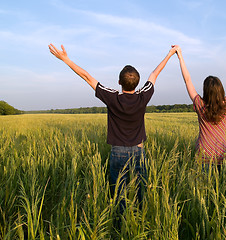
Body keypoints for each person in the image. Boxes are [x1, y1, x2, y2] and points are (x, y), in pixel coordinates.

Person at [48, 43, 178, 209]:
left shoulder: (112, 97)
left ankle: (120, 224)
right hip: (139, 150)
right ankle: (138, 219)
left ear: (119, 82)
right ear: (138, 83)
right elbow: (154, 74)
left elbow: (87, 77)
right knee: (140, 192)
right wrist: (169, 54)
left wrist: (66, 59)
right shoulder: (143, 96)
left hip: (118, 152)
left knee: (118, 194)